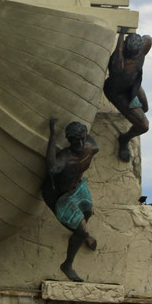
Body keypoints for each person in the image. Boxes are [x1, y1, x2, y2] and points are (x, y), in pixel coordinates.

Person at [42, 118, 98, 283]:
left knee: (88, 210)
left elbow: (92, 143)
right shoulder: (65, 157)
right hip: (63, 197)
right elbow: (52, 168)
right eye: (76, 140)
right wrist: (52, 135)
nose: (81, 143)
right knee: (83, 231)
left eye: (83, 138)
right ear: (69, 140)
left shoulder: (92, 148)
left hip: (78, 189)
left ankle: (79, 233)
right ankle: (67, 264)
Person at [103, 30, 152, 162]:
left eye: (133, 55)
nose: (131, 58)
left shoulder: (144, 45)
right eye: (128, 55)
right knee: (144, 126)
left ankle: (132, 111)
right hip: (117, 93)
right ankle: (124, 139)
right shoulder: (119, 64)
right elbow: (119, 52)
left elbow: (149, 38)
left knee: (145, 108)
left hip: (133, 86)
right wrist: (121, 35)